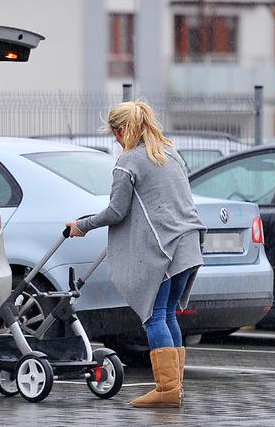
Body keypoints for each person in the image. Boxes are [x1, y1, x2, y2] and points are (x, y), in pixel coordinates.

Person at [66, 101, 205, 408]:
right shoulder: (170, 154)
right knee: (168, 314)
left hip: (165, 250)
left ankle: (167, 390)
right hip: (190, 243)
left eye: (115, 133)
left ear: (122, 130)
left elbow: (116, 212)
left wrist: (82, 225)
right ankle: (174, 387)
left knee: (154, 316)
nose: (116, 139)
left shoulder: (128, 162)